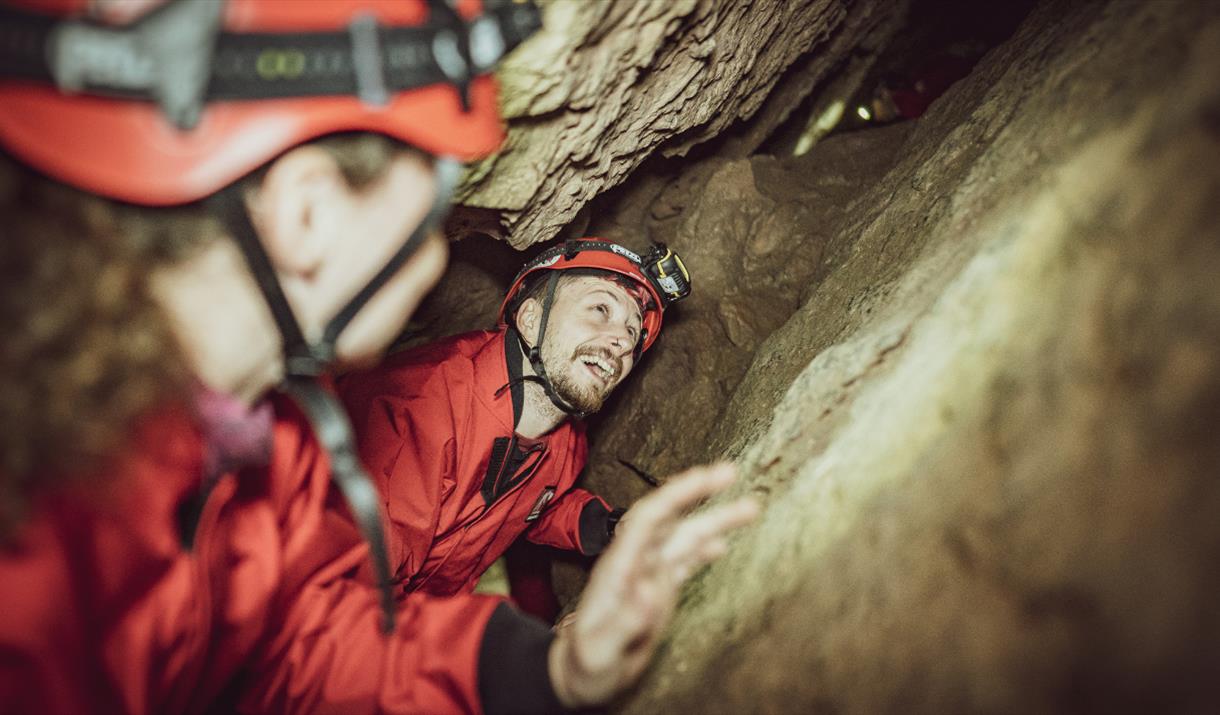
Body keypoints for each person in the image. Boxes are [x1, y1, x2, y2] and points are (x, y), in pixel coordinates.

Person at [0, 1, 757, 714]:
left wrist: (550, 666)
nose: (436, 261)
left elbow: (307, 641)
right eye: (434, 217)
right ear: (306, 213)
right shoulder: (43, 544)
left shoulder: (274, 446)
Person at [336, 239, 691, 611]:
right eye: (600, 308)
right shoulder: (413, 414)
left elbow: (536, 503)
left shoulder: (566, 442)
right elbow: (354, 605)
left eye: (633, 333)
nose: (621, 341)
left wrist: (607, 526)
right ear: (530, 320)